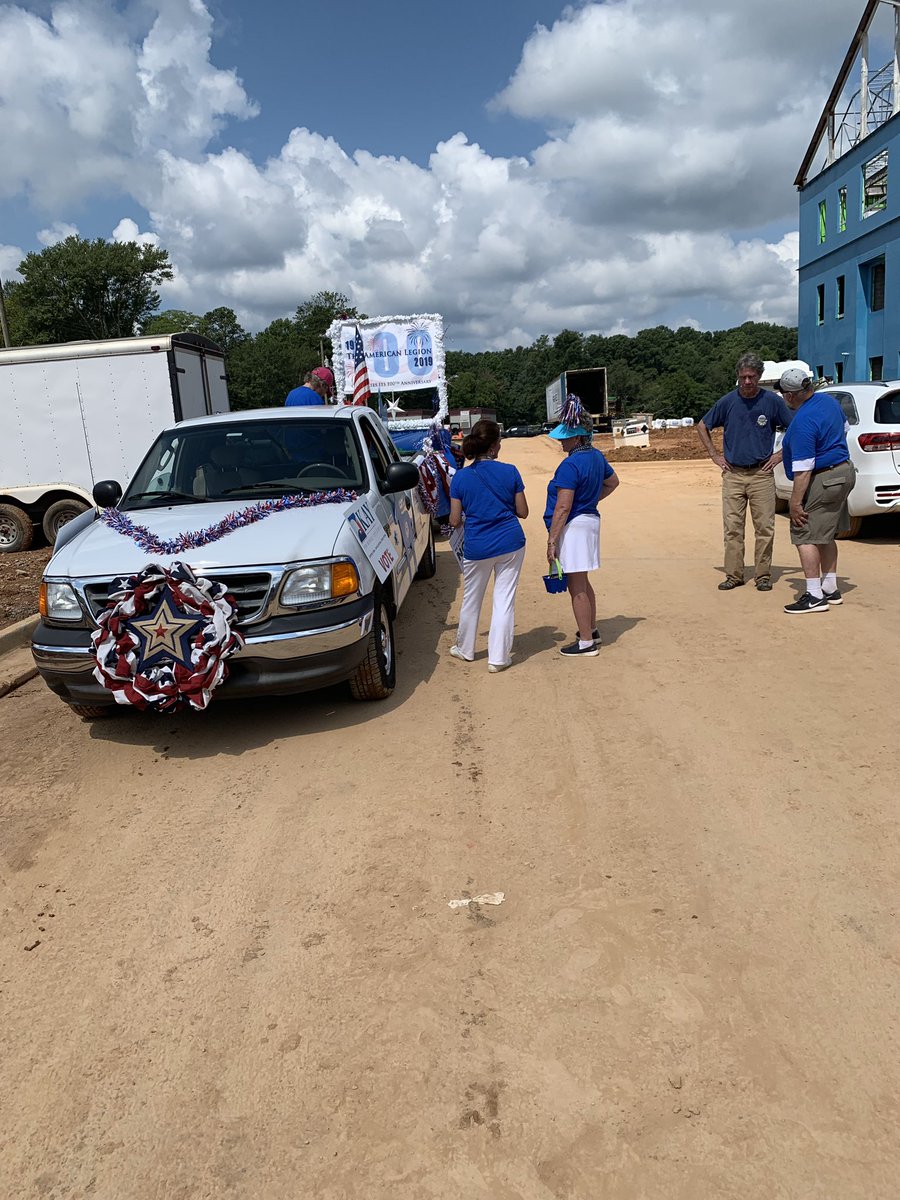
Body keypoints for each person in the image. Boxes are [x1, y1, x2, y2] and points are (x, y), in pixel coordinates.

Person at [697, 353, 793, 592]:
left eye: (751, 377)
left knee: (764, 528)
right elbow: (702, 425)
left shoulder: (772, 402)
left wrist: (779, 455)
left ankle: (762, 575)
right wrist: (714, 456)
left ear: (759, 377)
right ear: (738, 377)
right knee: (732, 528)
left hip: (761, 474)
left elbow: (796, 428)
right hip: (733, 475)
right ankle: (734, 575)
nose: (747, 381)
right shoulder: (728, 402)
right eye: (743, 377)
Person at [448, 419, 528, 672]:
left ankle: (465, 649)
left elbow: (454, 520)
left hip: (477, 546)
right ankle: (499, 658)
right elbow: (523, 512)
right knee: (504, 600)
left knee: (472, 599)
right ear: (493, 446)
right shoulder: (511, 471)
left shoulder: (460, 478)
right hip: (510, 543)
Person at [544, 395, 619, 658]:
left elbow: (563, 507)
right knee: (583, 581)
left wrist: (552, 541)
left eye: (565, 437)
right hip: (590, 521)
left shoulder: (570, 464)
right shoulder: (597, 457)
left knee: (576, 587)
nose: (561, 441)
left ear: (577, 437)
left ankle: (586, 642)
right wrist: (589, 499)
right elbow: (613, 483)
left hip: (575, 526)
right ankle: (592, 629)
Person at [777, 368, 855, 614]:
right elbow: (845, 429)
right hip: (844, 471)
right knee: (826, 532)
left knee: (805, 532)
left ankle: (814, 595)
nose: (785, 398)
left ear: (791, 395)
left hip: (824, 478)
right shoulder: (828, 401)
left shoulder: (802, 422)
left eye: (785, 394)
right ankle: (830, 588)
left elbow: (803, 470)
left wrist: (795, 503)